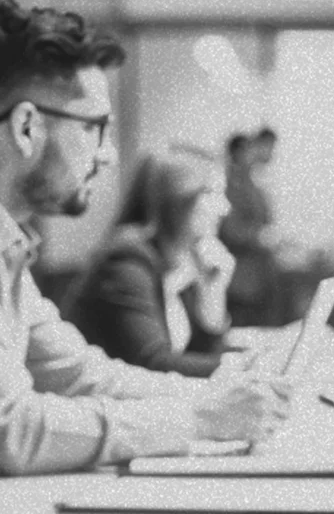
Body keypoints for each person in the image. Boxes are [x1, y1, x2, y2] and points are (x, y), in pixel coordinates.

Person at [0, 0, 290, 508]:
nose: (108, 154)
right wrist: (199, 419)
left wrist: (219, 399)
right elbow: (12, 428)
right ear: (26, 127)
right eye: (95, 127)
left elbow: (81, 375)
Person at [64, 150, 249, 377]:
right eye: (212, 193)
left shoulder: (182, 261)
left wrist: (213, 293)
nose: (225, 208)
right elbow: (153, 365)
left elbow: (194, 361)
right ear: (178, 199)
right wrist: (246, 368)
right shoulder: (125, 264)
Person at [220, 127, 285, 327]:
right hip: (242, 280)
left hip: (260, 275)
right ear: (239, 153)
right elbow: (228, 230)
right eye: (250, 151)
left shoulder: (251, 182)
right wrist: (259, 237)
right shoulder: (229, 185)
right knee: (245, 331)